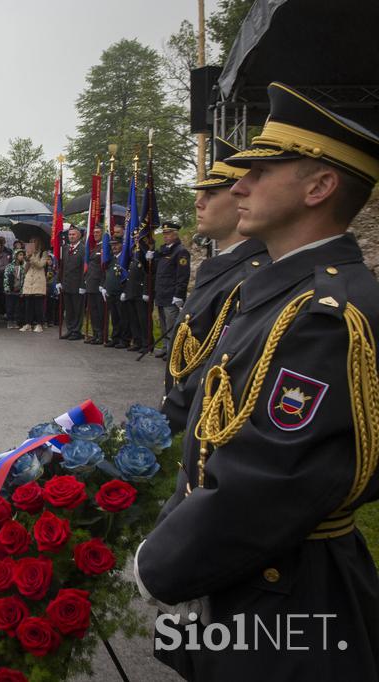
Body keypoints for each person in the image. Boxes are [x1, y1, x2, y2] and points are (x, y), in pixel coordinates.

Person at [136, 82, 379, 681]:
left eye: (262, 171)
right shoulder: (282, 291)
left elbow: (269, 481)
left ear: (320, 187)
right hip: (253, 574)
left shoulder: (323, 312)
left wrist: (159, 561)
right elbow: (213, 433)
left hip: (289, 591)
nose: (238, 184)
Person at [161, 137, 269, 431]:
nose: (199, 202)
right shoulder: (223, 267)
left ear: (240, 197)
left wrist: (161, 426)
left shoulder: (251, 276)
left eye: (212, 193)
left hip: (205, 425)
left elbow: (219, 371)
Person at [149, 222, 191, 358]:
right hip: (161, 293)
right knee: (163, 324)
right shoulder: (163, 251)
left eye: (168, 234)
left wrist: (179, 294)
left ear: (175, 235)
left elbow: (182, 275)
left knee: (171, 325)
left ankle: (173, 351)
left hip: (171, 295)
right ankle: (166, 347)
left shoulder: (180, 251)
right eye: (164, 234)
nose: (165, 236)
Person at [58, 226, 85, 340]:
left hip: (77, 284)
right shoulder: (65, 248)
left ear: (79, 236)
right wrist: (59, 281)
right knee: (68, 309)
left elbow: (85, 268)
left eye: (73, 234)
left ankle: (76, 331)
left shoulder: (83, 249)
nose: (71, 237)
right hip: (66, 284)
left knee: (77, 309)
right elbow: (62, 266)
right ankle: (70, 329)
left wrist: (83, 285)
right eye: (69, 235)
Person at [102, 238, 129, 349]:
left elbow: (128, 276)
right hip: (111, 292)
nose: (114, 247)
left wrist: (125, 291)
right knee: (115, 318)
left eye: (116, 245)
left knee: (123, 318)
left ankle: (124, 340)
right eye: (112, 245)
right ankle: (115, 338)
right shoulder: (111, 259)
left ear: (121, 245)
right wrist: (105, 287)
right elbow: (108, 274)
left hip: (121, 292)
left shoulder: (125, 259)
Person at [82, 227, 106, 344]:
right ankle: (96, 333)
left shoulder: (104, 247)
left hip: (99, 284)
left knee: (100, 311)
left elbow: (104, 267)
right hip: (91, 283)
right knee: (92, 311)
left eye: (98, 232)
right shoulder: (93, 247)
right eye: (94, 232)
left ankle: (101, 335)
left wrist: (102, 283)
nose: (95, 234)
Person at [21, 240, 50, 333]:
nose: (33, 243)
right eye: (31, 241)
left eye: (35, 241)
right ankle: (28, 324)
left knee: (38, 304)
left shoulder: (44, 253)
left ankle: (39, 324)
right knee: (28, 304)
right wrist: (27, 259)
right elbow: (25, 270)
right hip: (29, 280)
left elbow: (41, 265)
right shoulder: (28, 252)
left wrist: (32, 258)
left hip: (39, 280)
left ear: (39, 242)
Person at [2, 249, 26, 328]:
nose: (22, 256)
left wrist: (22, 290)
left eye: (23, 255)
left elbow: (24, 279)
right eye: (20, 255)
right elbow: (6, 278)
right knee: (9, 306)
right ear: (15, 256)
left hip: (18, 290)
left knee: (17, 307)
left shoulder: (23, 267)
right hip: (10, 290)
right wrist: (6, 288)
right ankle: (10, 321)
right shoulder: (9, 266)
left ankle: (16, 321)